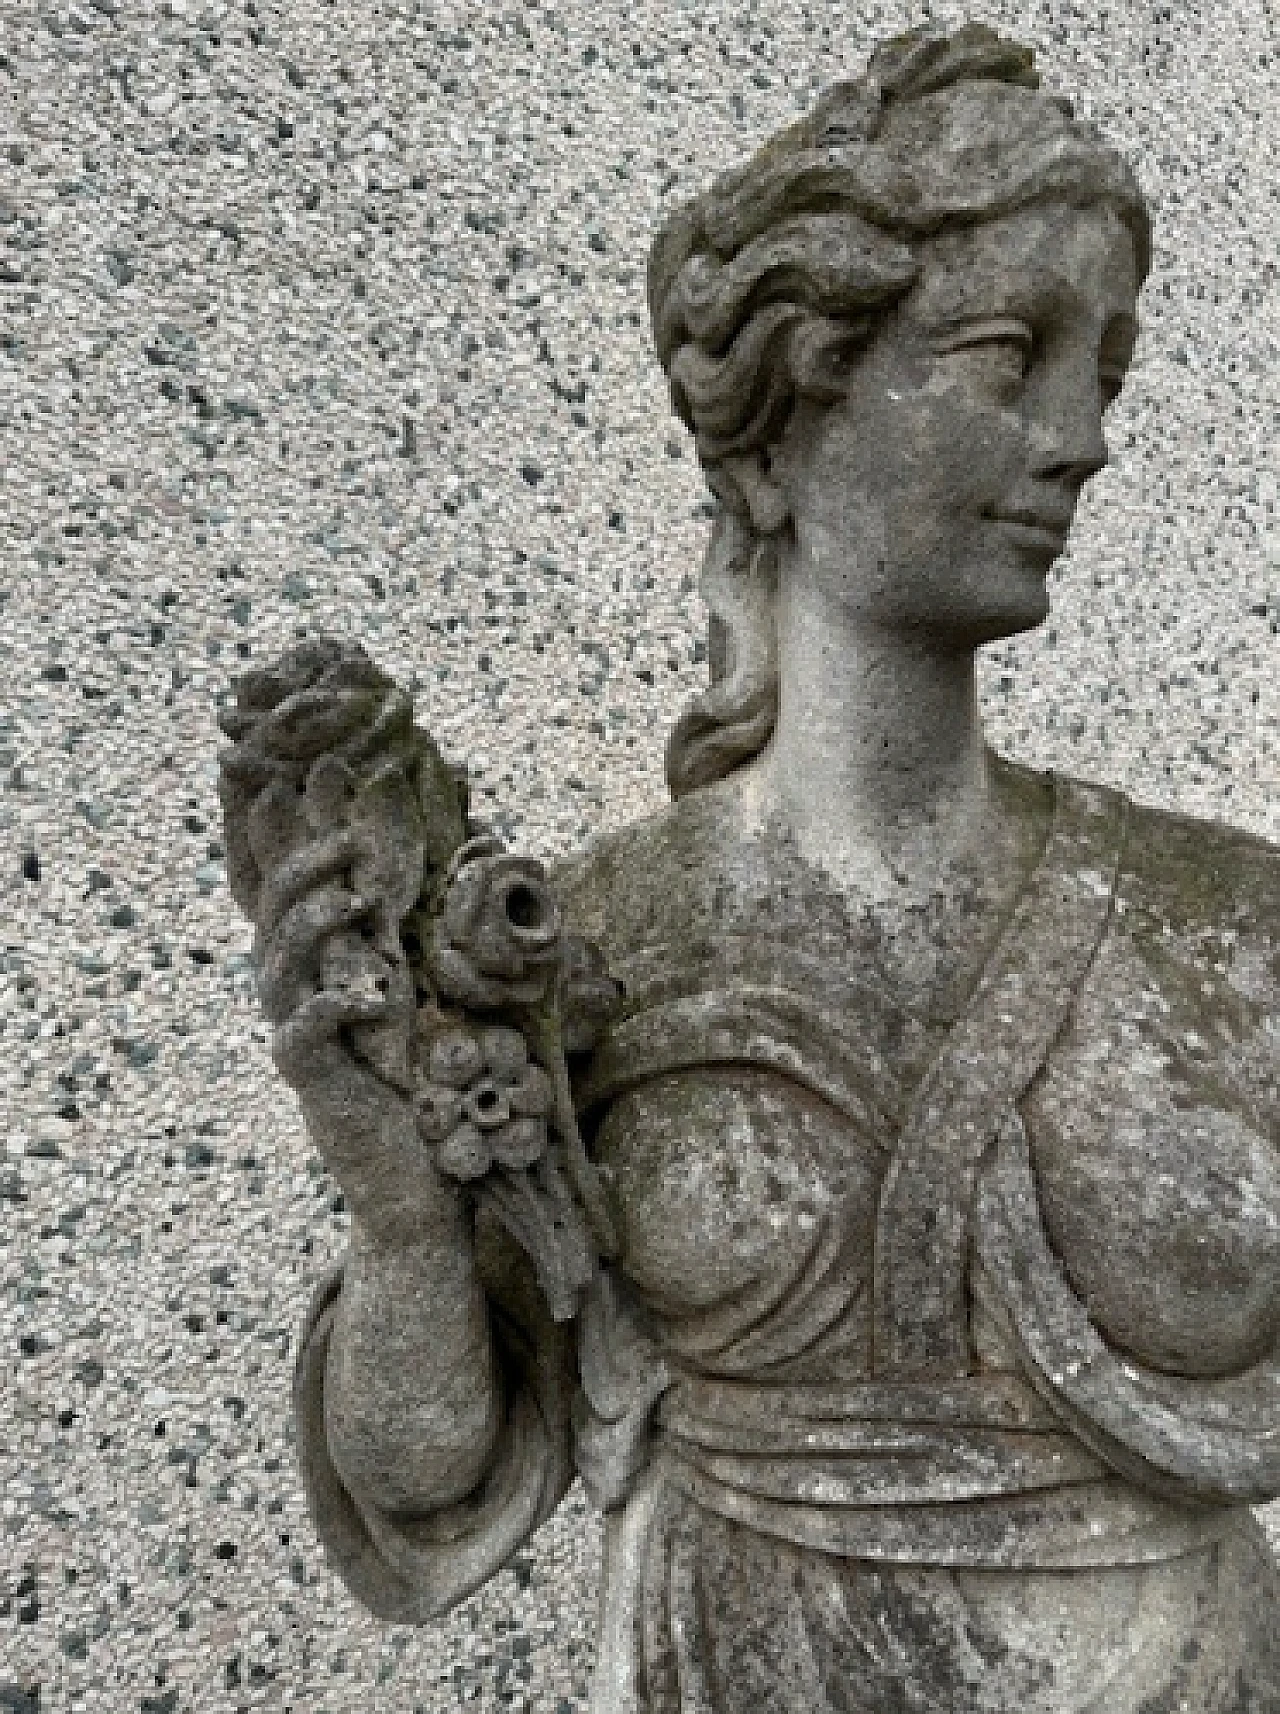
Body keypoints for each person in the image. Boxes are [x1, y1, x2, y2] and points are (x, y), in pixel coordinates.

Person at [262, 25, 1280, 1711]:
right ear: (783, 419)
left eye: (1106, 366)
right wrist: (396, 1205)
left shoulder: (1238, 927)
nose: (1081, 432)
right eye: (1008, 349)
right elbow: (426, 1479)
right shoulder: (583, 948)